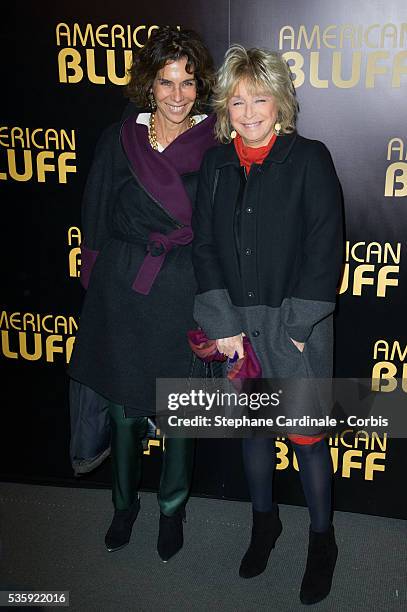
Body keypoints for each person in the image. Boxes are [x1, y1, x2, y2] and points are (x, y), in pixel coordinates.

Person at [192, 45, 343, 604]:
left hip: (292, 329)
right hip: (236, 330)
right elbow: (203, 246)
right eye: (237, 100)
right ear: (224, 107)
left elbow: (324, 248)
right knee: (255, 434)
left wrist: (299, 328)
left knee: (306, 441)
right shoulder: (215, 164)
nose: (249, 111)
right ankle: (264, 524)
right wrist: (223, 323)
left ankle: (322, 541)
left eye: (260, 97)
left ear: (280, 101)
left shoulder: (310, 158)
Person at [68, 26, 216, 561]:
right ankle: (123, 506)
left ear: (200, 87)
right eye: (166, 82)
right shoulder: (119, 137)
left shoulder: (217, 141)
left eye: (188, 83)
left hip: (184, 286)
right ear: (148, 86)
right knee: (124, 411)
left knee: (180, 411)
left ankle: (172, 510)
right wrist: (95, 277)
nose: (177, 96)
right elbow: (96, 209)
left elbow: (220, 226)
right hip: (124, 287)